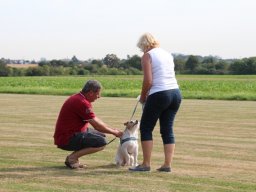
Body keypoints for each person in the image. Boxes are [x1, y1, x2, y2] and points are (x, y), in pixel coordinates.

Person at [129, 33, 182, 172]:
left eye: (141, 48)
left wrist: (142, 96)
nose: (142, 51)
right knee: (167, 130)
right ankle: (167, 165)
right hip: (175, 93)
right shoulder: (167, 54)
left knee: (146, 128)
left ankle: (146, 164)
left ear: (144, 45)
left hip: (159, 93)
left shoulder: (147, 56)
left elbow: (148, 80)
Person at [54, 80, 123, 169]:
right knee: (101, 142)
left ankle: (72, 158)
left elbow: (95, 119)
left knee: (101, 136)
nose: (99, 97)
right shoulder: (81, 102)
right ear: (90, 92)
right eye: (98, 94)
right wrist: (115, 133)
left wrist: (113, 129)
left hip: (69, 134)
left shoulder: (80, 98)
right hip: (66, 138)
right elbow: (97, 126)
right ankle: (72, 158)